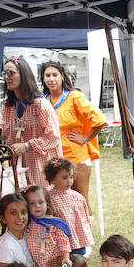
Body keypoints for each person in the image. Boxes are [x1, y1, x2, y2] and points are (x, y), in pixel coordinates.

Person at [40, 60, 107, 210]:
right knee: (59, 205)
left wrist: (86, 138)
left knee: (80, 202)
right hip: (53, 160)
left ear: (62, 76)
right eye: (48, 75)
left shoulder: (74, 97)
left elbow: (99, 119)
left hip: (77, 159)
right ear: (43, 78)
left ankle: (87, 232)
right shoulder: (43, 101)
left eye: (55, 75)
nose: (51, 79)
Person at [0, 56, 61, 189]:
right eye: (4, 73)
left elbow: (53, 137)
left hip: (39, 167)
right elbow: (6, 134)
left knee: (40, 206)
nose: (7, 77)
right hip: (16, 168)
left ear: (23, 75)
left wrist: (27, 145)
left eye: (11, 73)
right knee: (19, 205)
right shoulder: (8, 105)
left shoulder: (40, 105)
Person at [45, 156, 93, 267]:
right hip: (62, 242)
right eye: (64, 178)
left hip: (78, 239)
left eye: (71, 177)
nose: (69, 181)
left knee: (79, 264)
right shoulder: (49, 198)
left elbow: (84, 216)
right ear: (52, 179)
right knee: (64, 266)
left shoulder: (77, 196)